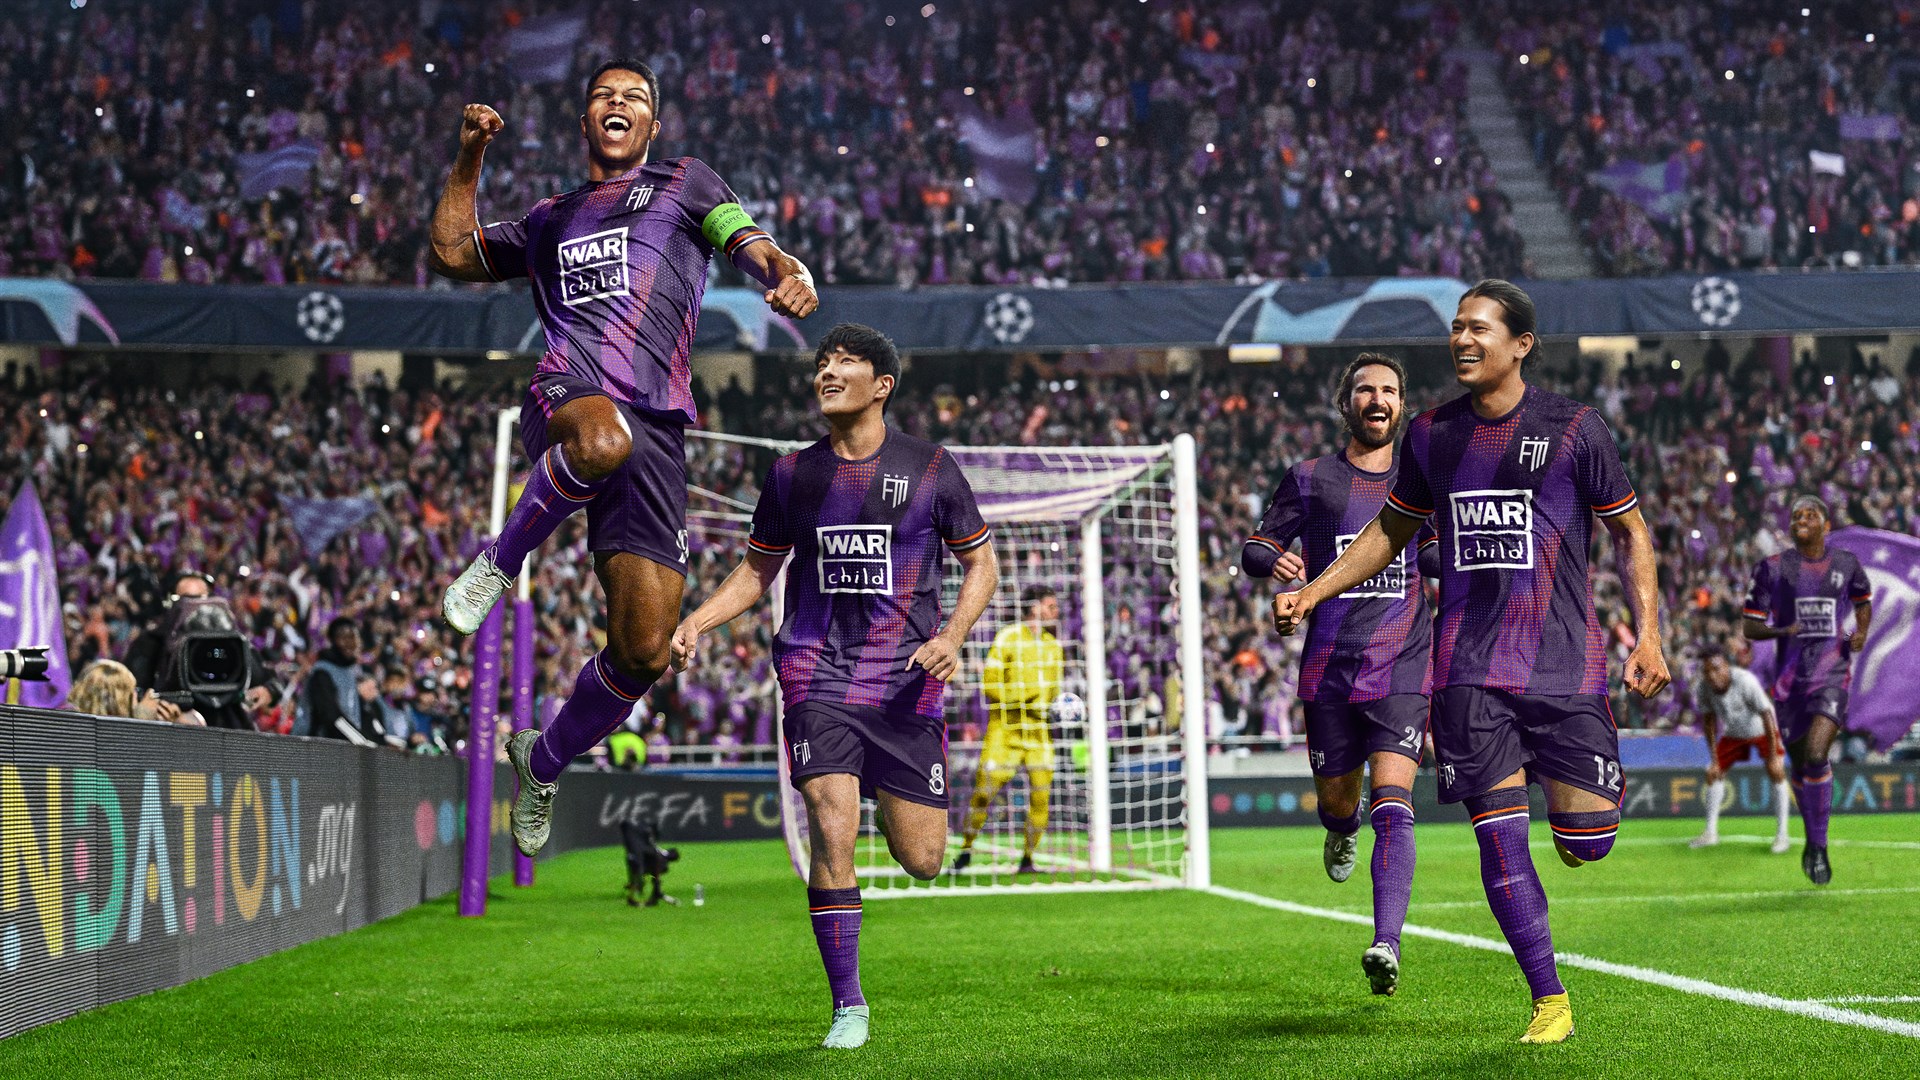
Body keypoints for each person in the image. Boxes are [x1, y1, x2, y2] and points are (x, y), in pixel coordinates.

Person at [426, 58, 818, 857]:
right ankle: (497, 563)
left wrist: (785, 269)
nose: (618, 103)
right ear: (585, 123)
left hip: (660, 426)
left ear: (652, 125)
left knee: (643, 650)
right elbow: (452, 254)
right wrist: (471, 155)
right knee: (602, 438)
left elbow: (748, 243)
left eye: (634, 98)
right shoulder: (549, 218)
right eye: (604, 95)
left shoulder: (685, 184)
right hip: (568, 395)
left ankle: (542, 760)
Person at [1273, 280, 1670, 1044]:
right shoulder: (1431, 436)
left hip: (1564, 667)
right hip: (1466, 672)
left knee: (1586, 844)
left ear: (1520, 344)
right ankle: (1548, 1000)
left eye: (1478, 329)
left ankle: (1581, 817)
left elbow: (1632, 533)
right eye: (1456, 328)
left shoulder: (1575, 430)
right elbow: (1391, 531)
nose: (1461, 339)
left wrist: (1649, 633)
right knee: (1499, 837)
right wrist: (1316, 589)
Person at [670, 323, 999, 1050]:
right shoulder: (792, 475)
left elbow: (983, 565)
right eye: (822, 362)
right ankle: (848, 1004)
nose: (828, 371)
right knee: (829, 821)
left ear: (883, 384)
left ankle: (877, 784)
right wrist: (699, 620)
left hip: (907, 682)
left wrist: (950, 638)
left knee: (923, 860)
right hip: (817, 672)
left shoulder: (932, 468)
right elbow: (757, 570)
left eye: (846, 362)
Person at [1241, 352, 1437, 997]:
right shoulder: (1311, 479)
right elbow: (1256, 548)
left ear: (1401, 404)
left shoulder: (1424, 479)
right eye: (1365, 390)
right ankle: (1338, 831)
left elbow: (1436, 555)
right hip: (1328, 667)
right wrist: (1276, 568)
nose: (1377, 400)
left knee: (1395, 802)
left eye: (1389, 390)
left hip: (1403, 665)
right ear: (1344, 403)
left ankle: (1386, 941)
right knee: (1338, 802)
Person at [1741, 495, 1871, 885]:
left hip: (1832, 673)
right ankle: (1814, 840)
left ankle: (1819, 843)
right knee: (1801, 764)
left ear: (1825, 524)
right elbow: (1750, 625)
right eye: (1796, 515)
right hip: (1788, 684)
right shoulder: (1772, 569)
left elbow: (1863, 601)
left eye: (1809, 515)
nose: (1801, 520)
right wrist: (1782, 631)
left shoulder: (1846, 564)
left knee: (1817, 753)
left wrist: (1861, 631)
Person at [952, 585, 1066, 876]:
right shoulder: (1008, 638)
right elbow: (989, 685)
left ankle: (1028, 859)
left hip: (1038, 732)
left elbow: (1054, 694)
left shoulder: (1055, 647)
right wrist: (1020, 697)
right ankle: (965, 850)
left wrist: (1060, 707)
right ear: (1034, 607)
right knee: (983, 794)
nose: (1056, 612)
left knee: (1041, 796)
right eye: (1050, 606)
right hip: (1006, 730)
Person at [123, 569, 278, 730]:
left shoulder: (231, 642)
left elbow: (270, 683)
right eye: (186, 599)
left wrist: (267, 692)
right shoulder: (153, 641)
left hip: (227, 729)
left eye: (202, 599)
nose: (195, 606)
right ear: (170, 602)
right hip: (170, 732)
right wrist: (152, 709)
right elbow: (132, 692)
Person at [1689, 648, 1791, 853]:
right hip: (1734, 733)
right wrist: (1715, 759)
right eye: (1707, 672)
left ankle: (1782, 836)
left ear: (1727, 666)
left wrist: (1773, 756)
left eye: (1716, 669)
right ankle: (1710, 833)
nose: (1712, 675)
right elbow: (1709, 722)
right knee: (1713, 772)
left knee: (1776, 771)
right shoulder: (1703, 688)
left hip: (1763, 730)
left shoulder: (1745, 681)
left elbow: (1767, 715)